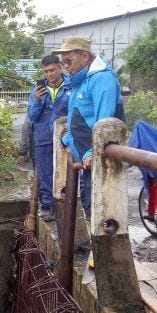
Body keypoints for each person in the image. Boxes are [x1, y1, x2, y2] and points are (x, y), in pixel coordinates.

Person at [53, 36, 125, 218]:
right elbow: (79, 116)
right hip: (86, 161)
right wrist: (67, 140)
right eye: (64, 62)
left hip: (98, 160)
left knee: (100, 213)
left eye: (69, 61)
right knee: (89, 207)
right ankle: (93, 245)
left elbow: (104, 122)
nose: (66, 66)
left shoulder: (101, 79)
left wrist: (93, 151)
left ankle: (99, 246)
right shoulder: (81, 80)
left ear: (85, 56)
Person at [27, 54, 71, 221]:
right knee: (45, 174)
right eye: (46, 71)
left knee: (68, 173)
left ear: (60, 67)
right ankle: (47, 207)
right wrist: (37, 101)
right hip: (43, 138)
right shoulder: (37, 91)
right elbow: (32, 116)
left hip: (65, 138)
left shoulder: (71, 87)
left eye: (52, 70)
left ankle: (67, 206)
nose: (49, 74)